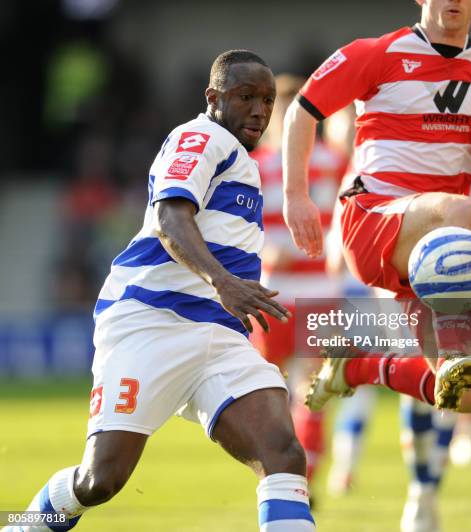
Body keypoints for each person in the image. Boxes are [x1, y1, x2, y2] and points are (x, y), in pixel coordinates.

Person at [7, 51, 316, 532]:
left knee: (282, 451)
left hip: (219, 334)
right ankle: (19, 523)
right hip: (152, 321)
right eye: (246, 97)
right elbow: (171, 219)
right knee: (100, 479)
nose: (260, 109)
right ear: (213, 98)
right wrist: (224, 282)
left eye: (268, 100)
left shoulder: (243, 160)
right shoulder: (201, 137)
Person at [282, 0, 471, 420]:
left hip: (439, 248)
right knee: (461, 207)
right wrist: (296, 196)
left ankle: (357, 368)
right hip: (373, 217)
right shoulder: (377, 54)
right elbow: (301, 112)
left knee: (470, 394)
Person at [250, 74, 347, 489]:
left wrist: (265, 249)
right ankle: (306, 469)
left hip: (278, 290)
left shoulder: (255, 165)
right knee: (312, 385)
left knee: (272, 388)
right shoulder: (334, 161)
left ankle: (288, 474)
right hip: (319, 289)